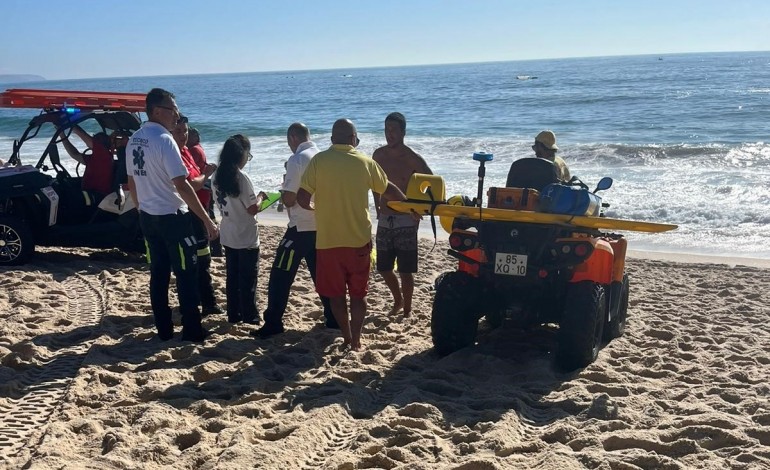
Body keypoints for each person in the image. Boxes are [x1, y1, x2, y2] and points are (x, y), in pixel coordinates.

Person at [298, 118, 406, 351]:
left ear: (332, 139)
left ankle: (346, 336)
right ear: (352, 139)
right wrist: (410, 206)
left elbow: (301, 199)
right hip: (358, 241)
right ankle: (356, 339)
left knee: (336, 296)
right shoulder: (365, 162)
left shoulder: (318, 161)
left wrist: (318, 209)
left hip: (328, 242)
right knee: (359, 295)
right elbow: (389, 190)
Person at [125, 88, 218, 342]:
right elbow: (183, 185)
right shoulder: (164, 139)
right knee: (186, 272)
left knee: (159, 274)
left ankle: (163, 329)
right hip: (171, 217)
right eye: (172, 110)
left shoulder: (135, 138)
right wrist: (206, 219)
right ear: (157, 111)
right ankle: (192, 329)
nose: (176, 116)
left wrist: (141, 207)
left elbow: (132, 181)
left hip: (149, 216)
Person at [255, 123, 336, 339]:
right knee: (321, 274)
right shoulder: (322, 156)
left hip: (300, 226)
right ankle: (333, 317)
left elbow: (290, 199)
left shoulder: (297, 159)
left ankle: (273, 321)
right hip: (321, 224)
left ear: (292, 138)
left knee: (280, 274)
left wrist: (282, 191)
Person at [372, 112, 432, 318]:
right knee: (383, 267)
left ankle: (406, 310)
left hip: (406, 220)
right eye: (386, 129)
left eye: (394, 130)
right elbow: (374, 184)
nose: (389, 134)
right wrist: (376, 205)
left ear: (403, 132)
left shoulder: (413, 159)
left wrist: (420, 209)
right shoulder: (377, 156)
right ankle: (397, 299)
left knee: (405, 271)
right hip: (384, 218)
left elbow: (432, 185)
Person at [213, 134, 267, 325]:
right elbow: (252, 209)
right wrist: (262, 197)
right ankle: (250, 315)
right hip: (245, 234)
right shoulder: (241, 177)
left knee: (232, 277)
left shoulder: (216, 175)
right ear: (240, 155)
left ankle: (233, 314)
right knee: (248, 278)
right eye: (248, 155)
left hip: (228, 231)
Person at [171, 116, 221, 317]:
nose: (183, 135)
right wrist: (206, 175)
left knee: (203, 259)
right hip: (189, 213)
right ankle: (201, 303)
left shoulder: (187, 151)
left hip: (199, 211)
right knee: (193, 262)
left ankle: (207, 301)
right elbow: (190, 185)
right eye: (178, 131)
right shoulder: (174, 154)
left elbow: (194, 179)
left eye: (185, 131)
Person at [188, 127, 223, 257]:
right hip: (204, 188)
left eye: (189, 136)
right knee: (209, 218)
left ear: (196, 138)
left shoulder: (194, 150)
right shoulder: (197, 148)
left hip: (201, 189)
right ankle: (216, 249)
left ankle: (216, 249)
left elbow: (194, 172)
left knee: (205, 220)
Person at [59, 124, 115, 195]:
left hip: (96, 196)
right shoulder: (96, 158)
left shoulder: (104, 156)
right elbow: (74, 154)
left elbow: (83, 135)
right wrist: (62, 135)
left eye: (95, 139)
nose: (92, 139)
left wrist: (70, 123)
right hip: (88, 193)